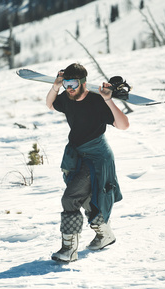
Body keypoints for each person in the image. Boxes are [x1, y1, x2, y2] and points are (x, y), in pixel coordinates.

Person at [46, 63, 129, 262]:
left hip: (97, 158)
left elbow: (124, 125)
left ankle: (69, 250)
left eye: (73, 83)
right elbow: (50, 104)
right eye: (67, 83)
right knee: (85, 198)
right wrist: (56, 86)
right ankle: (105, 235)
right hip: (77, 156)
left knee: (70, 198)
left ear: (83, 82)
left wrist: (108, 100)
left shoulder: (96, 101)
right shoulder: (67, 97)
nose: (69, 87)